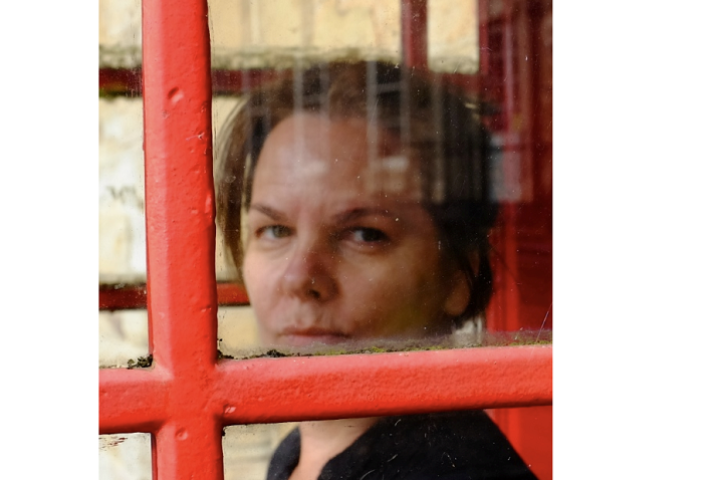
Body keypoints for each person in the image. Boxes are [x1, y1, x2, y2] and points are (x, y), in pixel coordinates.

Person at [215, 61, 538, 480]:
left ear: (458, 277)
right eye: (275, 230)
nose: (299, 278)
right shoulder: (297, 452)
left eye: (365, 234)